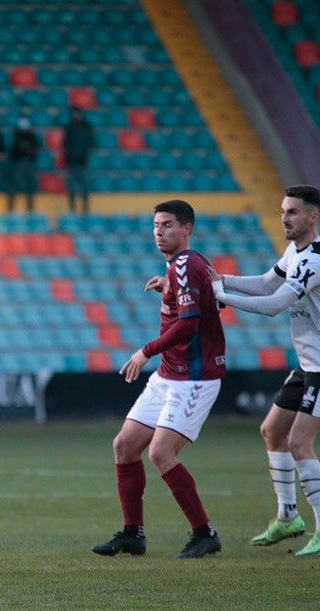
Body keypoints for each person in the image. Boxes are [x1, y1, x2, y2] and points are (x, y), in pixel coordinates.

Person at [209, 185, 320, 556]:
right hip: (311, 363)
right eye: (282, 211)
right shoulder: (296, 251)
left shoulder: (317, 259)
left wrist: (221, 297)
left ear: (312, 216)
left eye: (292, 212)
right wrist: (220, 280)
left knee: (298, 442)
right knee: (272, 431)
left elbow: (274, 304)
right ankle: (288, 516)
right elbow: (266, 282)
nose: (284, 218)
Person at [92, 199, 226, 559]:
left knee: (161, 453)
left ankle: (204, 533)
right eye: (155, 226)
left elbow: (189, 324)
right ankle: (133, 534)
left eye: (167, 225)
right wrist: (166, 283)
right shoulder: (182, 266)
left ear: (187, 229)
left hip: (194, 378)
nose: (159, 232)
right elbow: (203, 296)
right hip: (170, 375)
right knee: (124, 446)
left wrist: (145, 351)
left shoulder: (185, 265)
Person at [62, 107, 95, 214]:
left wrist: (84, 154)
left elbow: (90, 143)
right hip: (71, 162)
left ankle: (85, 210)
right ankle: (72, 210)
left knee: (84, 187)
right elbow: (65, 144)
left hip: (83, 161)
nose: (75, 116)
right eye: (74, 114)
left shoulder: (86, 127)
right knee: (71, 187)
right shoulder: (69, 127)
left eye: (77, 114)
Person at [8, 115, 40, 212]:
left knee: (31, 185)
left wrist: (27, 147)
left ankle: (30, 209)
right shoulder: (15, 135)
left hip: (29, 162)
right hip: (18, 162)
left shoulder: (32, 136)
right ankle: (11, 209)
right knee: (15, 185)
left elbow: (35, 149)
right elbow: (13, 150)